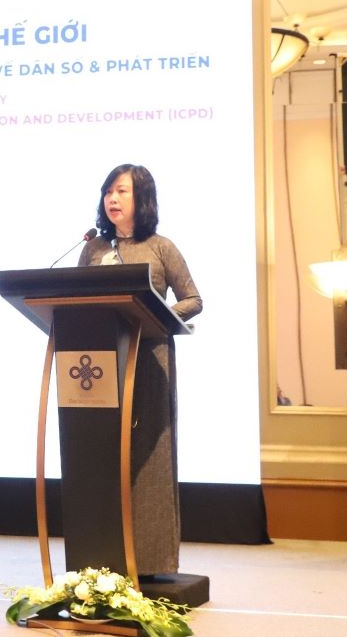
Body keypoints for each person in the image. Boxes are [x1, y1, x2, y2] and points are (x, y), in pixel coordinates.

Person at [78, 163, 202, 578]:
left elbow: (193, 299)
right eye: (108, 191)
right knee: (101, 458)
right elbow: (77, 298)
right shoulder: (93, 249)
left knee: (149, 457)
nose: (112, 199)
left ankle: (149, 562)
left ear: (142, 198)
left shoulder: (160, 247)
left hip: (149, 359)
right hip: (98, 363)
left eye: (122, 191)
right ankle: (101, 557)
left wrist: (157, 315)